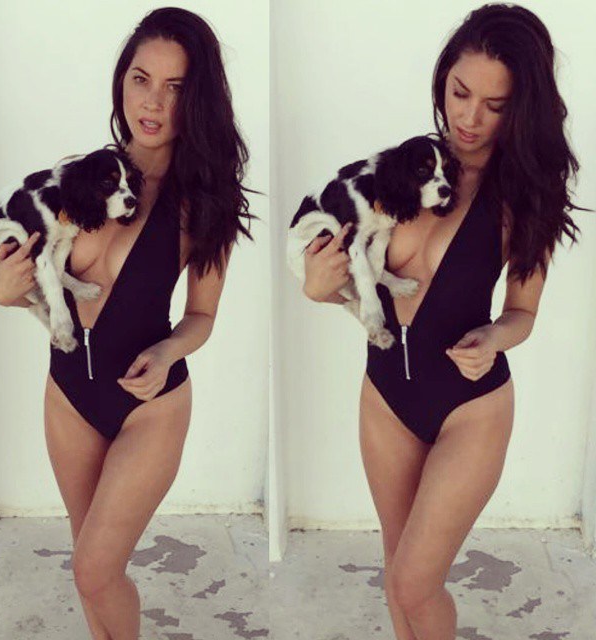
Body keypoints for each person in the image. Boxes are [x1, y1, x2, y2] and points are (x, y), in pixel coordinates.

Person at [301, 4, 581, 639]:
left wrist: (496, 337)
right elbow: (343, 273)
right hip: (385, 399)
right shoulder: (401, 170)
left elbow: (523, 312)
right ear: (442, 80)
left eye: (494, 104)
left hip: (470, 407)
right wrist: (320, 288)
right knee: (398, 576)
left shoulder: (526, 195)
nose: (469, 117)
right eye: (459, 93)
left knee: (414, 583)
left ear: (522, 108)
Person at [0, 7, 253, 639]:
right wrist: (5, 291)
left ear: (198, 98)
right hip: (68, 396)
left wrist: (167, 352)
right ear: (122, 82)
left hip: (149, 406)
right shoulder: (78, 180)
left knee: (95, 568)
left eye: (175, 87)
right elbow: (27, 281)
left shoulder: (204, 202)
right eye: (141, 79)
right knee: (92, 570)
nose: (152, 102)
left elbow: (202, 316)